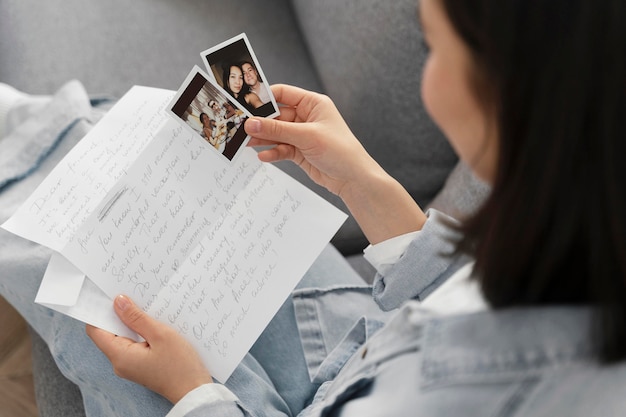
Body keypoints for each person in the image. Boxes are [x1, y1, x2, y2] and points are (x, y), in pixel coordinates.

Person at [0, 1, 625, 416]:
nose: (428, 78)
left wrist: (192, 393)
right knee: (132, 145)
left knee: (78, 277)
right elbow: (461, 292)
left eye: (434, 48)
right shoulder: (584, 224)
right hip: (360, 337)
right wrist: (368, 187)